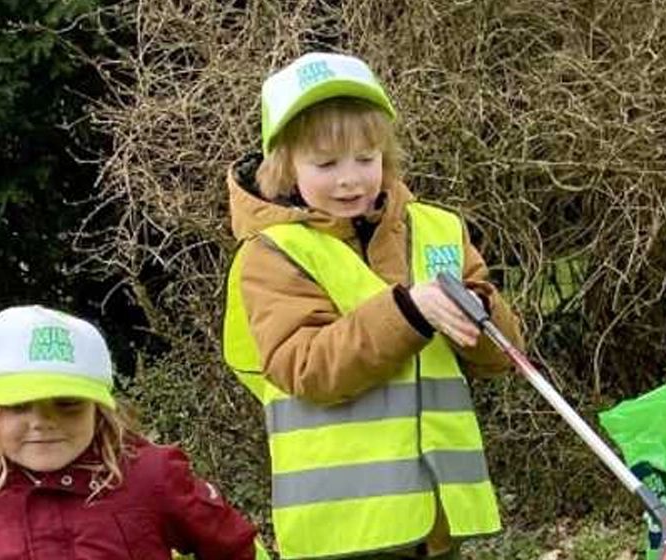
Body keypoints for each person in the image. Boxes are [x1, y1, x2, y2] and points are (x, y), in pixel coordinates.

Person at [220, 52, 525, 558]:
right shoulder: (271, 254)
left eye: (366, 158)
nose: (350, 179)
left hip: (438, 519)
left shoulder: (439, 230)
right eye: (326, 163)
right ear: (283, 167)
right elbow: (307, 368)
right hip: (342, 528)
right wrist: (409, 313)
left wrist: (479, 311)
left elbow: (502, 358)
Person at [0, 306, 263, 559]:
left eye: (68, 403)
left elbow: (237, 549)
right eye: (19, 405)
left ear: (99, 410)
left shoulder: (152, 478)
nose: (42, 421)